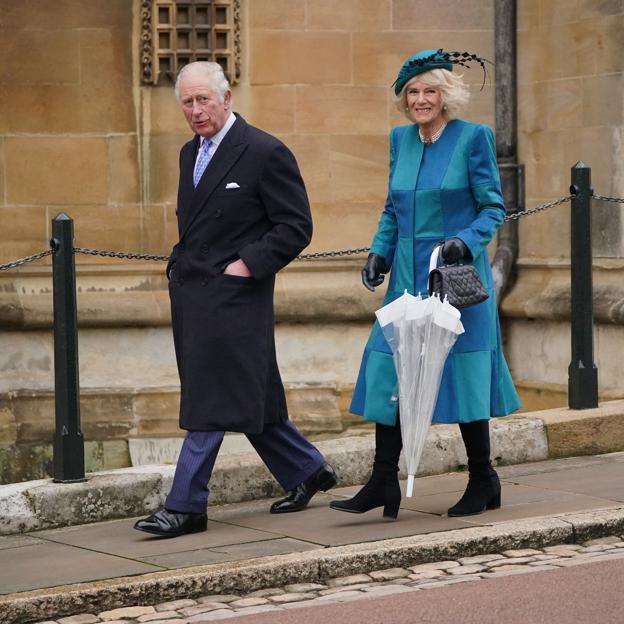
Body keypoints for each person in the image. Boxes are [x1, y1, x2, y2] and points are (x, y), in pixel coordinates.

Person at [135, 62, 336, 538]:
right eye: (188, 102)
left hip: (235, 296)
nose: (196, 110)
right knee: (248, 392)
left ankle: (186, 506)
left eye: (204, 99)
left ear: (227, 98)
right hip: (195, 295)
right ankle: (308, 470)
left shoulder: (265, 151)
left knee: (210, 398)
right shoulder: (189, 154)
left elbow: (296, 226)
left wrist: (246, 264)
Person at [330, 49, 521, 520]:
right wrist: (379, 250)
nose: (420, 100)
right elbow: (393, 208)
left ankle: (483, 478)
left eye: (429, 91)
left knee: (465, 376)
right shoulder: (401, 140)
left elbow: (493, 208)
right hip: (407, 283)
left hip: (457, 282)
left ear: (445, 95)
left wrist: (466, 240)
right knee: (387, 369)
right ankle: (381, 481)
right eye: (413, 92)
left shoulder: (473, 138)